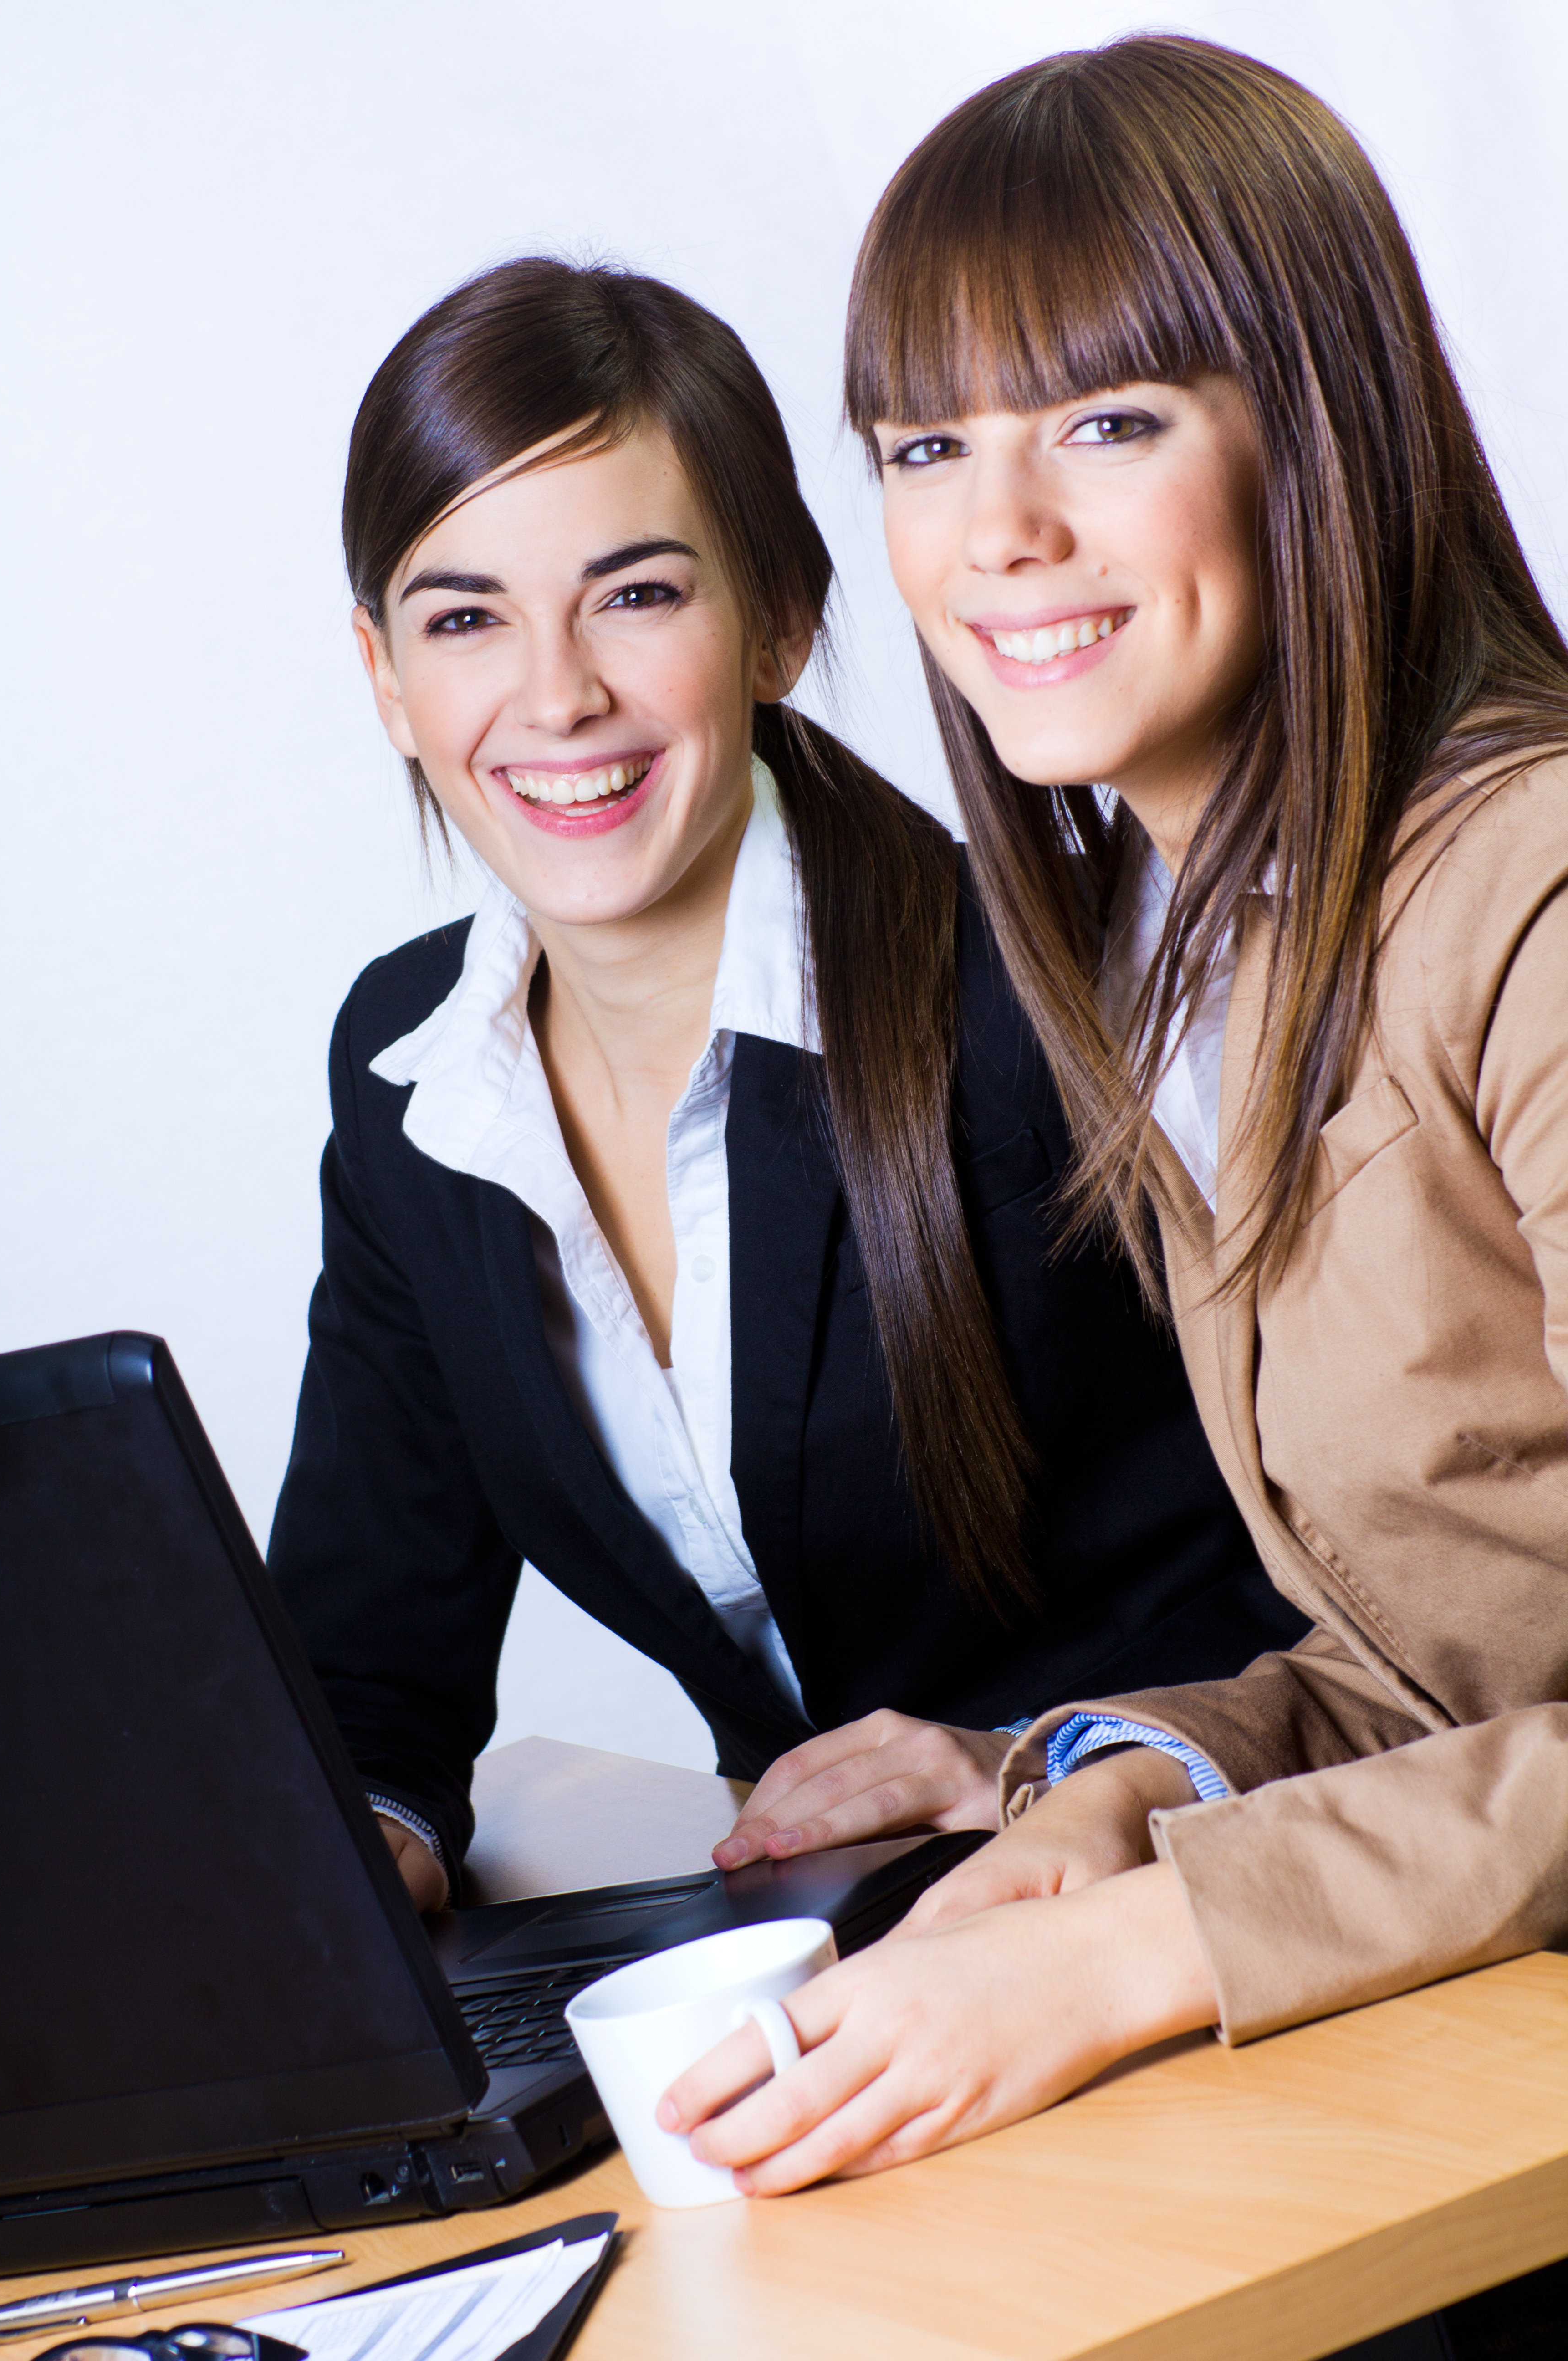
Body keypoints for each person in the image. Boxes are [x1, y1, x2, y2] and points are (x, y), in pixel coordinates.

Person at [662, 33, 1568, 2202]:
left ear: (1317, 426)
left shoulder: (1528, 888)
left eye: (1111, 420)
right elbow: (1450, 1661)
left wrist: (1147, 1951)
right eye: (927, 444)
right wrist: (1120, 1791)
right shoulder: (1176, 945)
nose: (1000, 533)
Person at [266, 257, 1301, 1913]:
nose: (556, 695)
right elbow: (366, 1655)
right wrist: (353, 1856)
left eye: (636, 595)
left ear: (782, 622)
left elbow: (1372, 1565)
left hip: (1196, 1888)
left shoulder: (1060, 985)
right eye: (464, 619)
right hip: (836, 1939)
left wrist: (1039, 1755)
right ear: (387, 677)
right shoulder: (413, 1067)